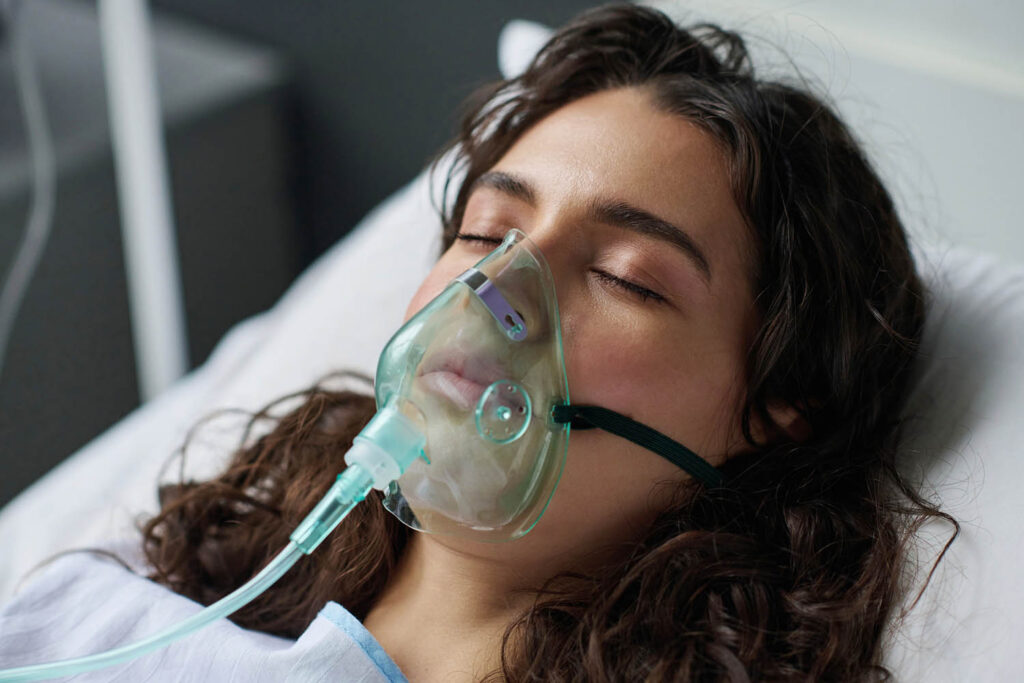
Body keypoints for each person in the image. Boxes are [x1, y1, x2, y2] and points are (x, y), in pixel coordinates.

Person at [0, 4, 954, 681]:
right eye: (486, 233)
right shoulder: (124, 602)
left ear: (775, 409)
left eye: (624, 273)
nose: (495, 294)